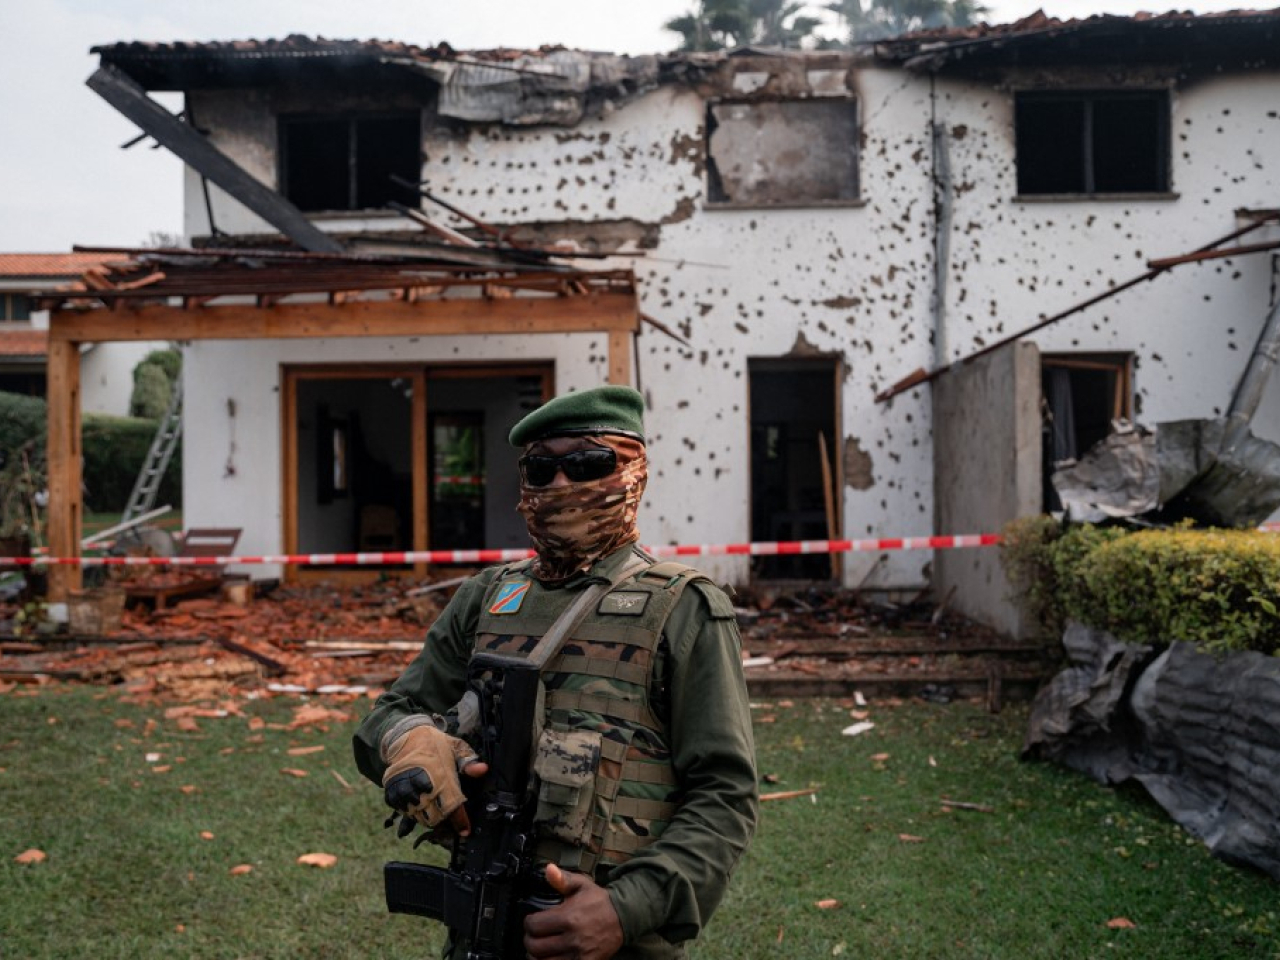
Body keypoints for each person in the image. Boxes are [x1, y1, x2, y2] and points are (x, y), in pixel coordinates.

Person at [353, 384, 759, 960]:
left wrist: (626, 908)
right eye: (542, 470)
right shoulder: (486, 597)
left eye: (589, 464)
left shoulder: (684, 609)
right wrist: (412, 742)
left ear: (634, 472)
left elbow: (725, 793)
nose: (562, 484)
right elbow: (389, 715)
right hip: (481, 929)